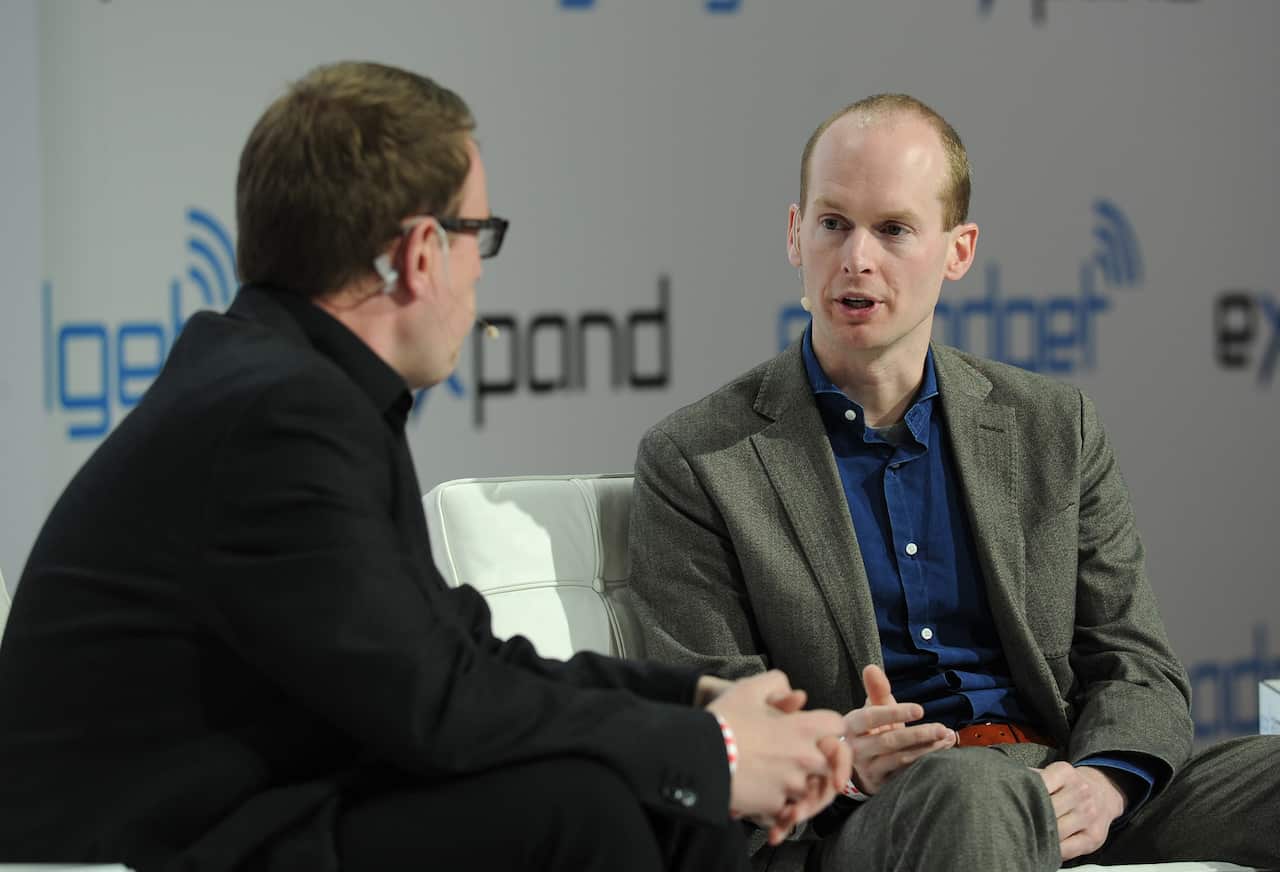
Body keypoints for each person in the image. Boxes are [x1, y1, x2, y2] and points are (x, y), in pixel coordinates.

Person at [0, 61, 859, 872]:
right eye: (478, 236)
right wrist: (714, 752)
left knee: (665, 800)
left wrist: (699, 707)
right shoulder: (283, 415)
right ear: (420, 253)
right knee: (582, 807)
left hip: (249, 810)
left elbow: (460, 657)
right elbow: (436, 705)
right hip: (145, 847)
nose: (477, 274)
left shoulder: (288, 385)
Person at [624, 93, 1279, 871]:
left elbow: (1133, 662)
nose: (856, 258)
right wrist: (841, 752)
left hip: (1058, 776)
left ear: (958, 250)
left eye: (893, 229)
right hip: (876, 813)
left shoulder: (1052, 425)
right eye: (833, 223)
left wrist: (1103, 784)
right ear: (795, 234)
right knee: (970, 791)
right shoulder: (700, 458)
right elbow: (716, 717)